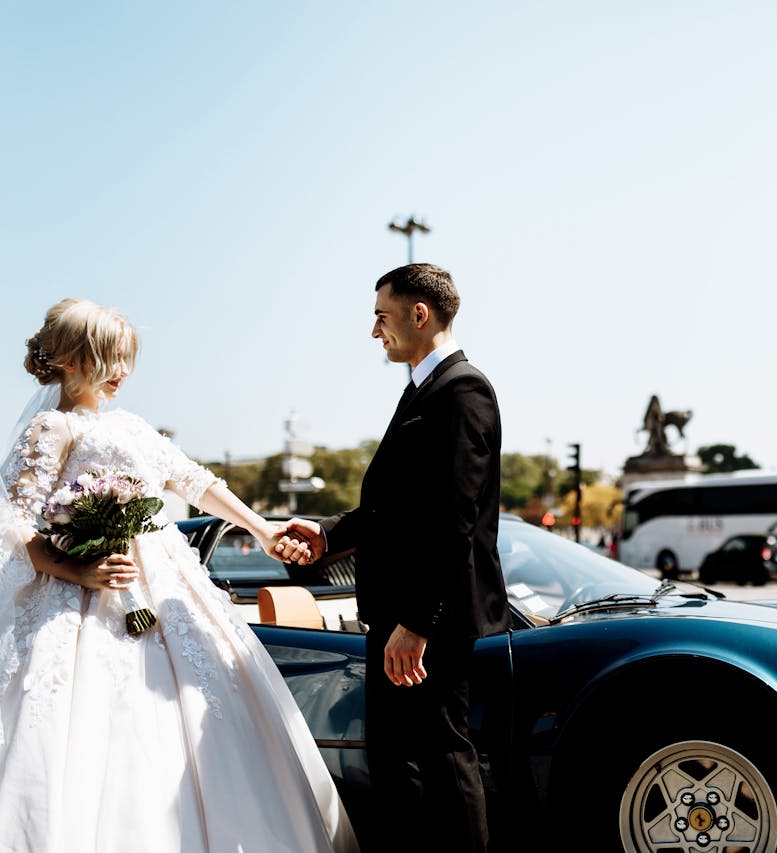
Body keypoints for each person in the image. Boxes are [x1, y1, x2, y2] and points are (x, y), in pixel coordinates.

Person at [0, 298, 359, 853]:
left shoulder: (133, 426)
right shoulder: (54, 427)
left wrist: (262, 531)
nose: (123, 371)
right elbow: (16, 524)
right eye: (110, 358)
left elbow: (194, 481)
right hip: (87, 598)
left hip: (171, 591)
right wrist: (77, 568)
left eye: (127, 358)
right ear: (71, 360)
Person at [279, 263, 512, 853]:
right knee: (395, 762)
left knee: (442, 757)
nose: (375, 331)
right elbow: (398, 510)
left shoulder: (462, 391)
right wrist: (327, 533)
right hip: (399, 616)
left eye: (381, 316)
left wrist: (417, 624)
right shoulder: (422, 390)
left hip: (424, 621)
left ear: (419, 314)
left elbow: (453, 521)